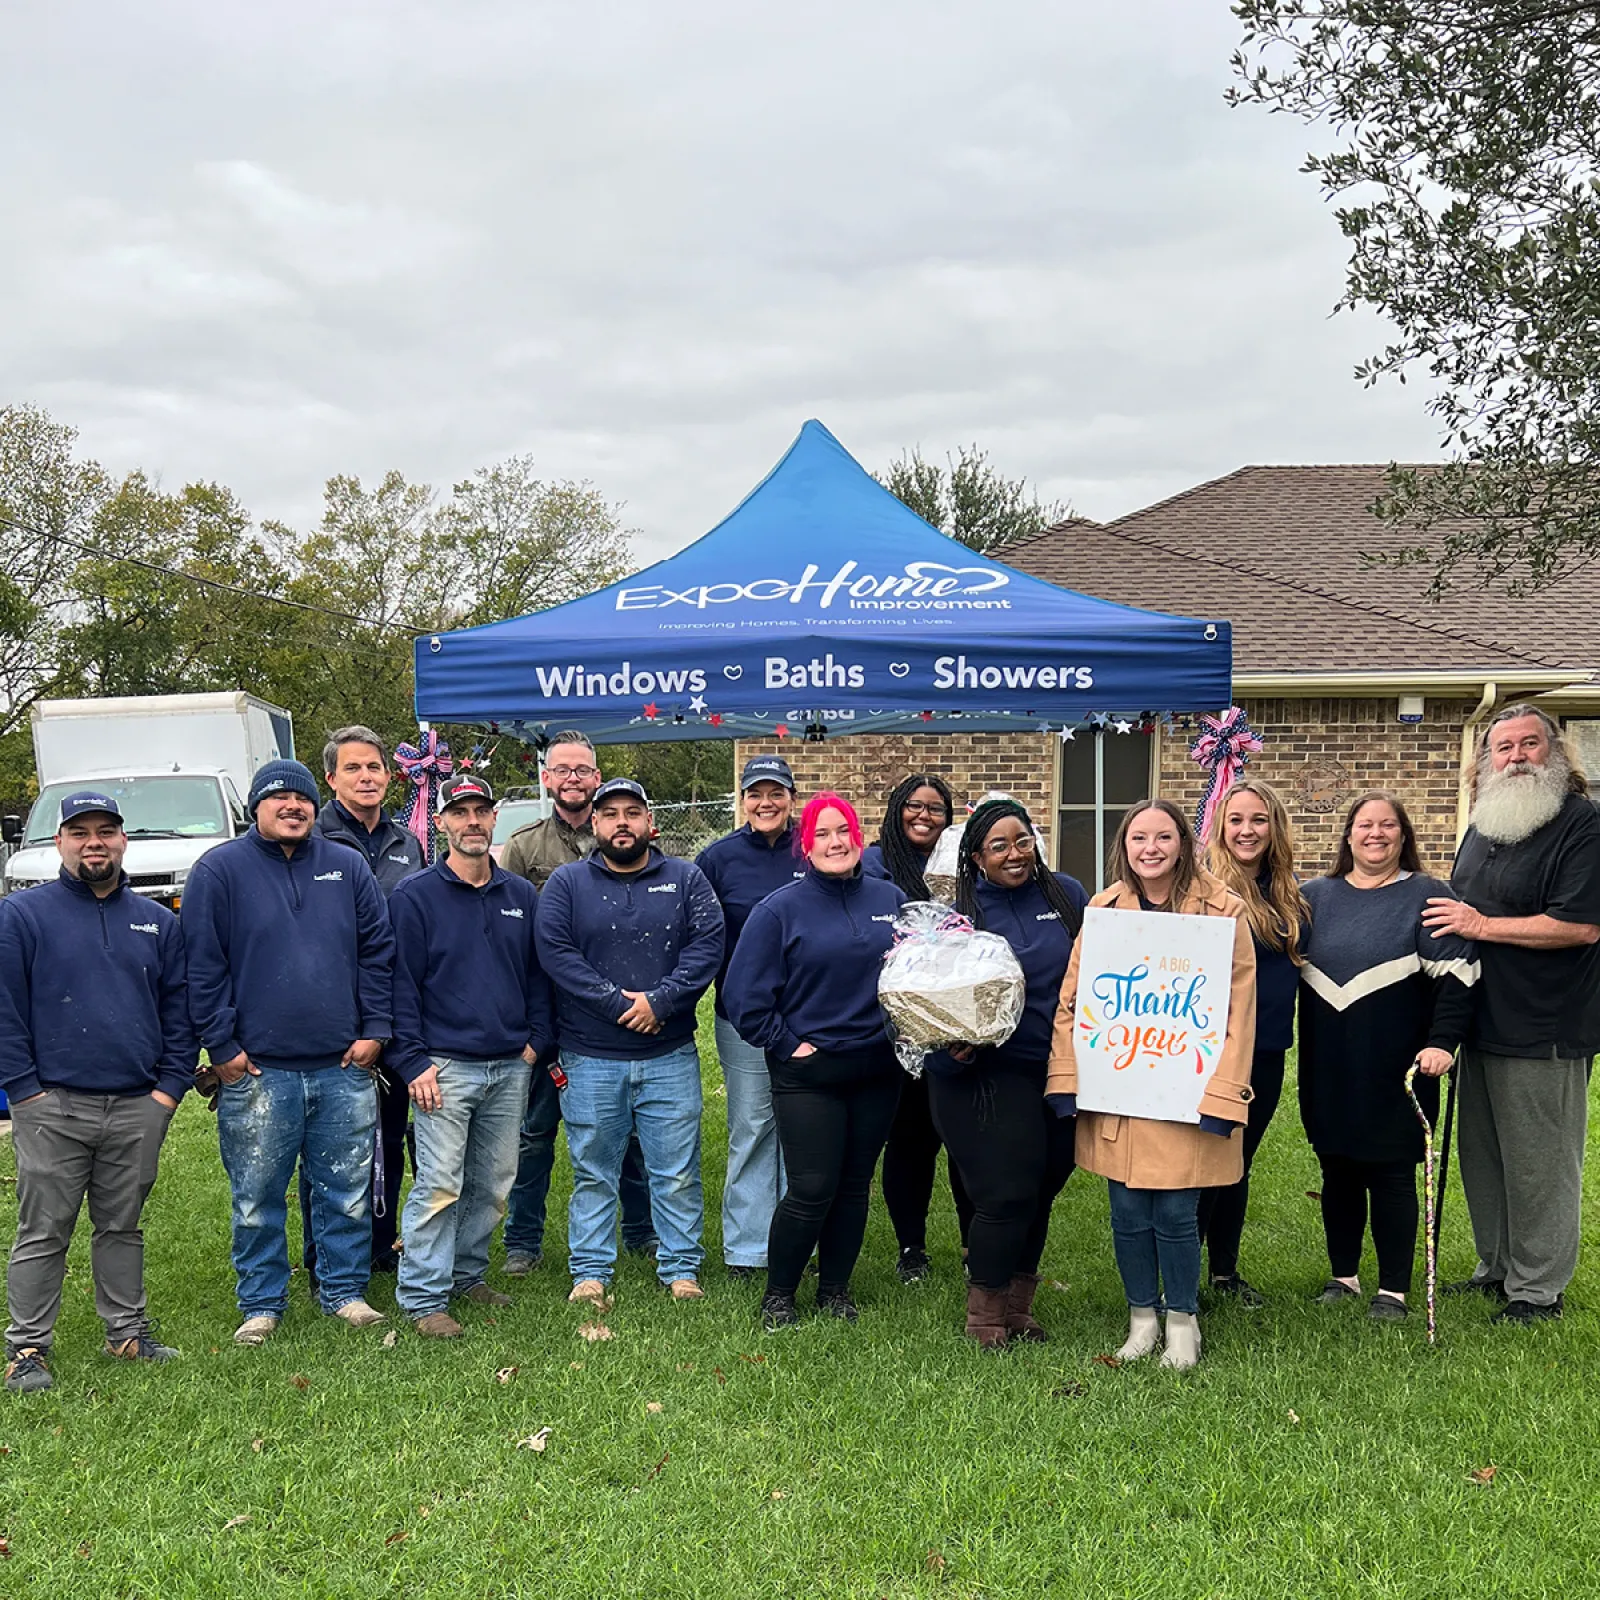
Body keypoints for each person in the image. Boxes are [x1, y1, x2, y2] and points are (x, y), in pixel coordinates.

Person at [182, 759, 396, 1346]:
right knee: (256, 1195)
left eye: (300, 799)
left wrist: (375, 1030)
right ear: (256, 807)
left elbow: (379, 954)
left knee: (346, 1191)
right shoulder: (218, 872)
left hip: (344, 1067)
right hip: (257, 1073)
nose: (292, 807)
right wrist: (221, 1046)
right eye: (277, 799)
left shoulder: (348, 867)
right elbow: (202, 966)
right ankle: (261, 1302)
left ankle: (345, 1292)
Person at [1046, 799, 1256, 1370]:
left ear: (1184, 844)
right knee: (1128, 1210)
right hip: (1120, 1087)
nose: (1151, 849)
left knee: (1176, 1214)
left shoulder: (1224, 911)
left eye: (1164, 837)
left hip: (1187, 1089)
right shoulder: (1104, 909)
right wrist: (1067, 1076)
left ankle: (1183, 1322)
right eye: (1139, 838)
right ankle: (1142, 1318)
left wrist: (1223, 1095)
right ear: (1125, 846)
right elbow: (1073, 1001)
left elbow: (1239, 1012)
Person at [0, 792, 195, 1394]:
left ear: (122, 840)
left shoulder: (158, 922)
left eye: (105, 831)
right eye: (80, 832)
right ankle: (28, 1347)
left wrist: (167, 1092)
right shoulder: (23, 917)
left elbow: (180, 1013)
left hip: (137, 1104)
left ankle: (127, 1333)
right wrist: (25, 1093)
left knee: (122, 1225)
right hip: (51, 1104)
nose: (94, 842)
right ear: (58, 842)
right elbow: (4, 1011)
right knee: (44, 1228)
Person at [1423, 703, 1600, 1324]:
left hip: (1544, 1024)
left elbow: (1580, 926)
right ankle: (1497, 1267)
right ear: (1486, 760)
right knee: (1486, 1154)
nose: (1516, 757)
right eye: (1503, 748)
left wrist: (1481, 925)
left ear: (1556, 753)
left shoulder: (1582, 825)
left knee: (1540, 1163)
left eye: (1529, 745)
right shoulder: (1484, 824)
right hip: (1478, 1019)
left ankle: (1538, 1290)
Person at [534, 778, 724, 1303]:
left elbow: (707, 946)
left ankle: (681, 1269)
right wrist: (620, 1005)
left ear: (650, 823)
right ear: (593, 824)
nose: (622, 822)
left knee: (676, 1170)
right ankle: (591, 1273)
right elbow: (556, 953)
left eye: (632, 813)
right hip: (590, 1057)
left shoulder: (686, 879)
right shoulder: (567, 883)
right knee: (594, 1170)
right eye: (610, 813)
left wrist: (660, 1001)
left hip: (669, 1055)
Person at [725, 793, 908, 1330]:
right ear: (806, 847)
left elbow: (917, 975)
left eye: (843, 831)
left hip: (876, 1070)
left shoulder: (890, 899)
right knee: (811, 1186)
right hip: (810, 1075)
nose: (835, 842)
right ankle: (779, 1295)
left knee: (854, 1185)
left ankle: (835, 1289)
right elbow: (742, 997)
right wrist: (787, 1045)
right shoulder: (779, 909)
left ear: (858, 837)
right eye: (822, 834)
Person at [1300, 791, 1479, 1319]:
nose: (1375, 834)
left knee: (1393, 1173)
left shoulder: (1428, 895)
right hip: (1328, 1058)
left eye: (1387, 826)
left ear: (1404, 836)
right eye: (1364, 825)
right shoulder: (1313, 896)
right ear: (1348, 835)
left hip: (1399, 1060)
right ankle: (1343, 1276)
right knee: (1337, 1168)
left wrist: (1443, 1042)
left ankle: (1394, 1289)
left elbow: (1459, 977)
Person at [387, 777, 555, 1339]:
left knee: (493, 1181)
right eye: (460, 813)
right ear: (441, 823)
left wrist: (535, 1040)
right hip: (443, 1066)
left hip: (510, 1062)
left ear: (495, 818)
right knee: (439, 1181)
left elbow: (538, 976)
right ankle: (422, 1296)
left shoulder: (520, 896)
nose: (473, 821)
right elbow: (400, 986)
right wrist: (411, 1061)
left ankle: (467, 1274)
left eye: (482, 811)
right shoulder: (414, 897)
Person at [935, 798, 1088, 1347]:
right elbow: (932, 1000)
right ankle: (984, 1318)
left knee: (1044, 1188)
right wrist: (951, 1043)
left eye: (1022, 841)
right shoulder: (958, 917)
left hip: (1060, 1070)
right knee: (1007, 1192)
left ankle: (1018, 1310)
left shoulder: (1067, 896)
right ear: (976, 857)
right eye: (998, 846)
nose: (1014, 854)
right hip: (985, 1073)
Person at [501, 732, 655, 1274]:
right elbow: (511, 934)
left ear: (595, 777)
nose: (572, 778)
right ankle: (522, 1241)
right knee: (534, 1133)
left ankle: (642, 1231)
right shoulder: (523, 847)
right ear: (546, 778)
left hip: (618, 1013)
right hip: (546, 1013)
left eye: (582, 770)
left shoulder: (623, 835)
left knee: (630, 1132)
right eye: (561, 769)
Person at [307, 725, 426, 1281]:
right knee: (334, 1150)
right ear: (330, 778)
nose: (366, 777)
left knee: (390, 1138)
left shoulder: (409, 843)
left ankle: (381, 1246)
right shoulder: (315, 840)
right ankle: (325, 1259)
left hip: (397, 1013)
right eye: (352, 768)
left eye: (374, 767)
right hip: (335, 1014)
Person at [1196, 779, 1309, 1306]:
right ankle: (1179, 1266)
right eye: (1236, 819)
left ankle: (1224, 1271)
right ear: (1220, 826)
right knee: (1200, 1160)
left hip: (1266, 1049)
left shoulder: (1288, 892)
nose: (1247, 830)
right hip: (1211, 1050)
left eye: (1258, 819)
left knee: (1239, 1161)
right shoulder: (1201, 889)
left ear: (1275, 827)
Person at [695, 755, 807, 1278]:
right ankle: (747, 1248)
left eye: (776, 793)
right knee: (753, 1126)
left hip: (811, 1016)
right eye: (756, 794)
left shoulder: (814, 846)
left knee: (803, 1129)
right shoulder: (717, 859)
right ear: (742, 800)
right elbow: (702, 938)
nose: (767, 803)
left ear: (791, 797)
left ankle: (797, 1238)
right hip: (743, 1016)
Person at [861, 772, 973, 1282]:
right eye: (914, 806)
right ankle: (912, 1247)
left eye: (936, 809)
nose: (925, 816)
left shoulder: (963, 864)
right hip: (900, 1025)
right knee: (910, 1139)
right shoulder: (873, 865)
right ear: (895, 809)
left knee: (966, 1138)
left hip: (959, 1020)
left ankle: (977, 1243)